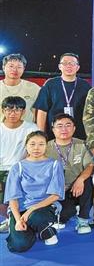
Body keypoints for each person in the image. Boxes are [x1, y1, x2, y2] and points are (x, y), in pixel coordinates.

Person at [4, 131, 65, 252]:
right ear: (26, 146)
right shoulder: (17, 167)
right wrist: (18, 220)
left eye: (41, 144)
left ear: (46, 146)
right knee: (18, 246)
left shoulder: (54, 165)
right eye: (32, 144)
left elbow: (55, 195)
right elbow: (12, 198)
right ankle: (42, 231)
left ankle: (43, 229)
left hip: (45, 207)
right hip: (21, 210)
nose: (36, 148)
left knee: (37, 217)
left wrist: (31, 210)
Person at [1, 98, 49, 233]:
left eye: (17, 110)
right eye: (9, 109)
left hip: (23, 168)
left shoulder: (31, 128)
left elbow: (37, 150)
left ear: (23, 112)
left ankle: (19, 217)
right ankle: (10, 218)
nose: (13, 113)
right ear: (3, 111)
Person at [45, 113, 94, 234]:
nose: (64, 129)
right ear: (53, 129)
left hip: (76, 188)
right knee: (65, 214)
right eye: (59, 126)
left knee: (88, 181)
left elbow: (90, 166)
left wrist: (80, 179)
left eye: (68, 125)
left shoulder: (81, 144)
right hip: (56, 191)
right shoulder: (45, 147)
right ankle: (67, 210)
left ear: (74, 128)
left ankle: (83, 220)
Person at [33, 52, 91, 140]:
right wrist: (41, 135)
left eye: (72, 63)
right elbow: (42, 111)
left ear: (78, 67)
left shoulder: (85, 85)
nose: (68, 66)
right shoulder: (50, 84)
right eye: (65, 63)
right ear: (60, 66)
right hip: (53, 134)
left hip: (79, 134)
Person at [0, 53, 39, 124]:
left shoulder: (34, 88)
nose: (15, 70)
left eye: (19, 67)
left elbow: (39, 112)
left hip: (27, 129)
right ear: (3, 67)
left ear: (24, 69)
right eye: (11, 66)